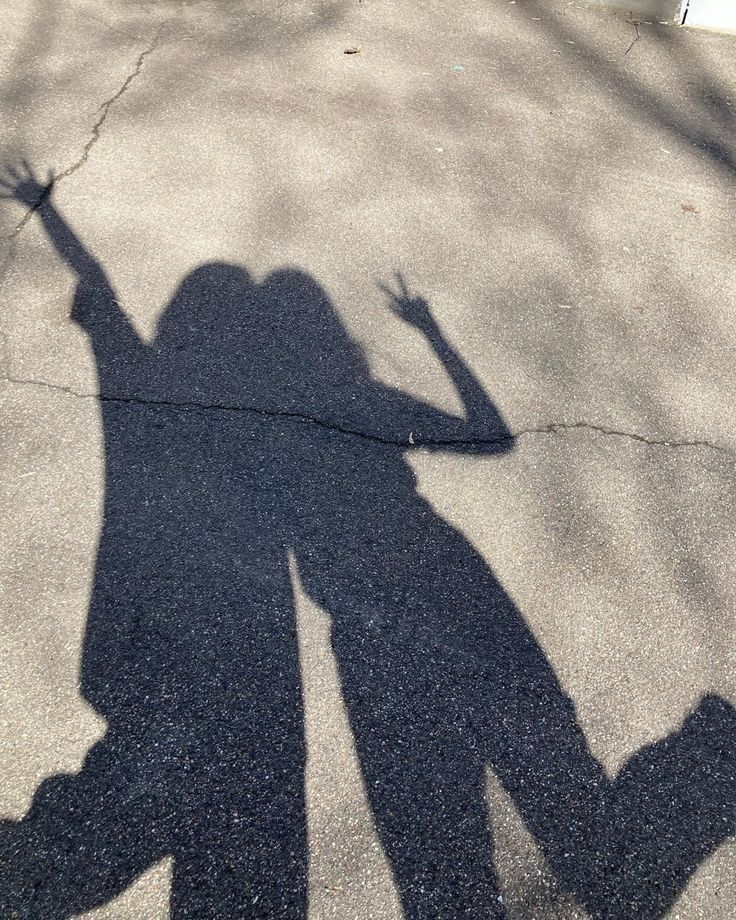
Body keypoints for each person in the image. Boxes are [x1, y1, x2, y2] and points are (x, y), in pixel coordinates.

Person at [1, 164, 733, 919]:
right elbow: (491, 437)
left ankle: (710, 765)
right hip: (434, 602)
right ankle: (709, 766)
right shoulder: (358, 403)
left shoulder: (270, 416)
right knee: (511, 850)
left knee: (467, 876)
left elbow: (112, 325)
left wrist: (51, 219)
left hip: (385, 642)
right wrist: (436, 338)